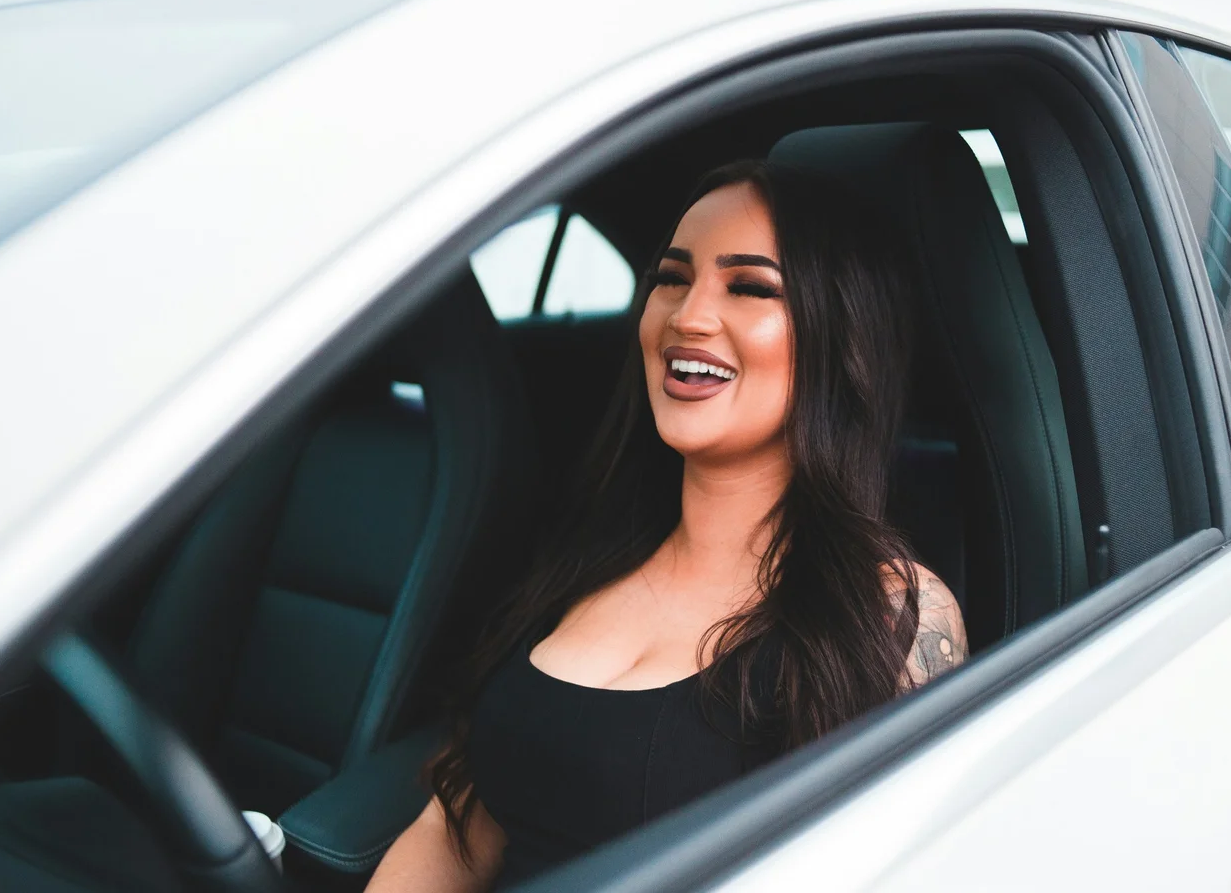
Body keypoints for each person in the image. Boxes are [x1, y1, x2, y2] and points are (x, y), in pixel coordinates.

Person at [368, 158, 968, 892]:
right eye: (672, 279)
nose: (688, 315)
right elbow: (453, 829)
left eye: (750, 287)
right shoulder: (589, 555)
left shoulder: (887, 612)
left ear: (841, 336)